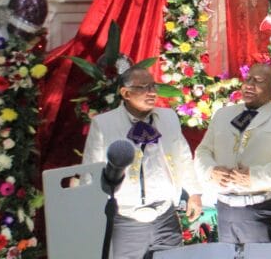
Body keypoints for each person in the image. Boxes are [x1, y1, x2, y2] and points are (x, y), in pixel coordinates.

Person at [82, 66, 202, 259]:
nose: (152, 92)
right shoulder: (104, 124)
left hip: (165, 213)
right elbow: (91, 171)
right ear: (125, 93)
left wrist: (194, 193)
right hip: (125, 217)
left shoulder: (168, 117)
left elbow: (183, 156)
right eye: (144, 87)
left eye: (153, 86)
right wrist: (92, 214)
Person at [195, 63, 271, 243]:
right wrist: (211, 171)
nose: (249, 85)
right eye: (248, 79)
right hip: (226, 208)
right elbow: (203, 150)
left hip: (261, 208)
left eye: (258, 81)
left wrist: (254, 177)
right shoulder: (223, 114)